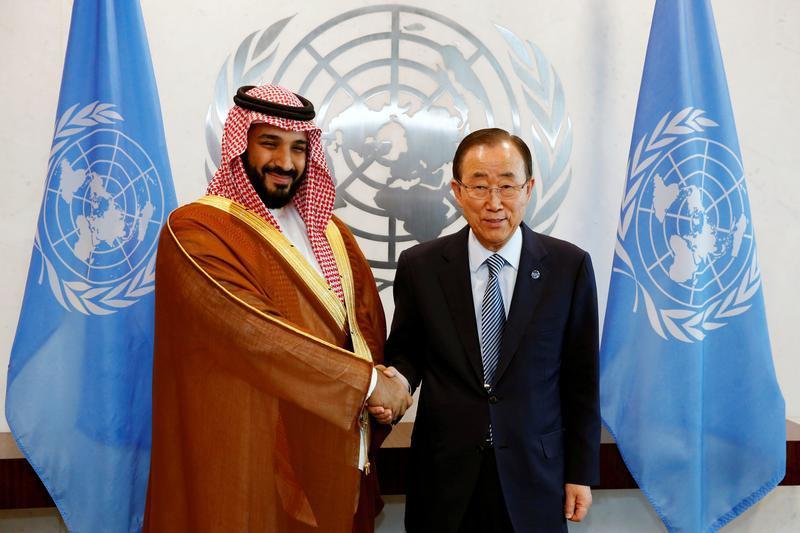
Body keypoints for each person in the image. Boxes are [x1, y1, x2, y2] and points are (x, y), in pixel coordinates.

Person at [144, 84, 412, 533]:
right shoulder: (195, 231)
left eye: (298, 148)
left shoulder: (333, 233)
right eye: (269, 143)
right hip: (247, 453)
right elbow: (254, 335)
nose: (285, 163)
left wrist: (384, 387)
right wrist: (366, 384)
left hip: (332, 448)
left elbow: (363, 321)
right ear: (239, 145)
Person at [375, 128, 600, 532]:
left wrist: (580, 472)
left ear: (529, 188)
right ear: (457, 192)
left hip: (536, 477)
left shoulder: (568, 267)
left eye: (507, 186)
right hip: (445, 476)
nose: (494, 203)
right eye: (479, 186)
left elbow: (581, 381)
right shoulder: (421, 266)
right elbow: (407, 353)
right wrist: (397, 385)